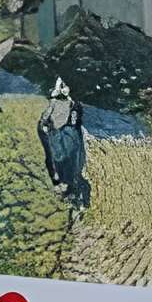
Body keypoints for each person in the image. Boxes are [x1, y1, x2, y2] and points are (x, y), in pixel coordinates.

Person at [38, 78, 91, 210]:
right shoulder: (58, 103)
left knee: (69, 164)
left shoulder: (72, 104)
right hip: (64, 136)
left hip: (69, 136)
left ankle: (78, 197)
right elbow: (46, 118)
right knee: (64, 163)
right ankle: (74, 196)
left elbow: (74, 121)